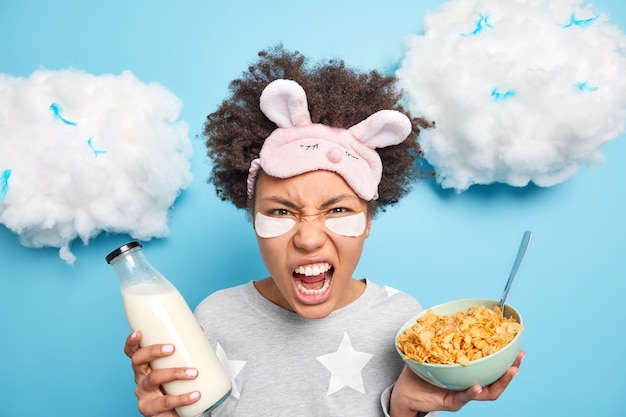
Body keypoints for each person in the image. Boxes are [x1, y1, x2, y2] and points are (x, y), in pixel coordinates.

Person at [123, 45, 524, 417]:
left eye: (337, 210)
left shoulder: (404, 325)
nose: (309, 238)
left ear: (368, 221)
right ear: (253, 219)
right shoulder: (214, 318)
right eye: (281, 211)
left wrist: (402, 410)